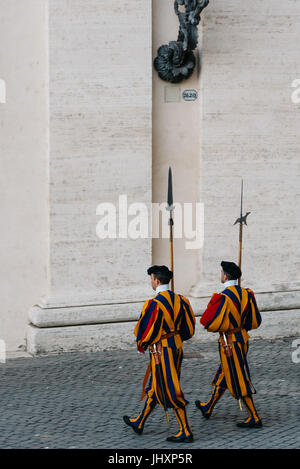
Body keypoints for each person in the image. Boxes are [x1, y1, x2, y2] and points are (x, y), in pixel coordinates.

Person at [123, 265, 196, 442]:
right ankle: (139, 422)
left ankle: (185, 431)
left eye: (151, 279)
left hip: (161, 351)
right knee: (157, 386)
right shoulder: (181, 300)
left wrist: (142, 343)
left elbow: (146, 330)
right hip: (176, 347)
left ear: (156, 280)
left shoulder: (153, 304)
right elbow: (188, 330)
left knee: (171, 388)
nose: (151, 282)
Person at [195, 261, 263, 428]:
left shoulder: (223, 297)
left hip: (229, 342)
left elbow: (207, 321)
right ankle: (209, 406)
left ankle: (254, 417)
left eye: (221, 273)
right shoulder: (247, 294)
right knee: (225, 372)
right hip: (242, 338)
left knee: (239, 376)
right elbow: (254, 320)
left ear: (225, 275)